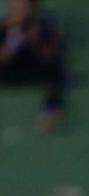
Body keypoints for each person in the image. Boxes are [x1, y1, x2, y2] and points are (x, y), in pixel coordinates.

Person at [0, 0, 67, 132]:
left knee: (55, 71)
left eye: (21, 4)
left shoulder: (45, 23)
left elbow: (51, 54)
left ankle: (51, 111)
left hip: (37, 70)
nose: (17, 8)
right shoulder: (7, 25)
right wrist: (13, 43)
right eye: (14, 4)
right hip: (11, 71)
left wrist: (34, 40)